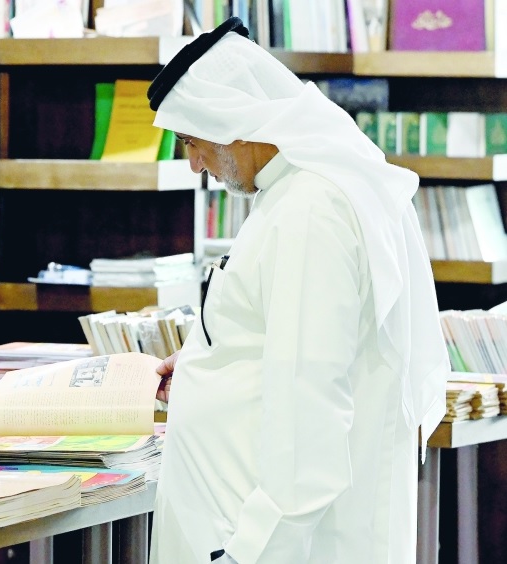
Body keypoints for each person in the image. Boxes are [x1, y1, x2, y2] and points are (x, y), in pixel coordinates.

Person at [147, 18, 448, 564]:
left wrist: (248, 554)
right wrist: (200, 370)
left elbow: (310, 421)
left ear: (232, 120)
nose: (194, 164)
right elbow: (280, 348)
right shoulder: (288, 197)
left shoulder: (313, 211)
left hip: (263, 547)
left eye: (191, 141)